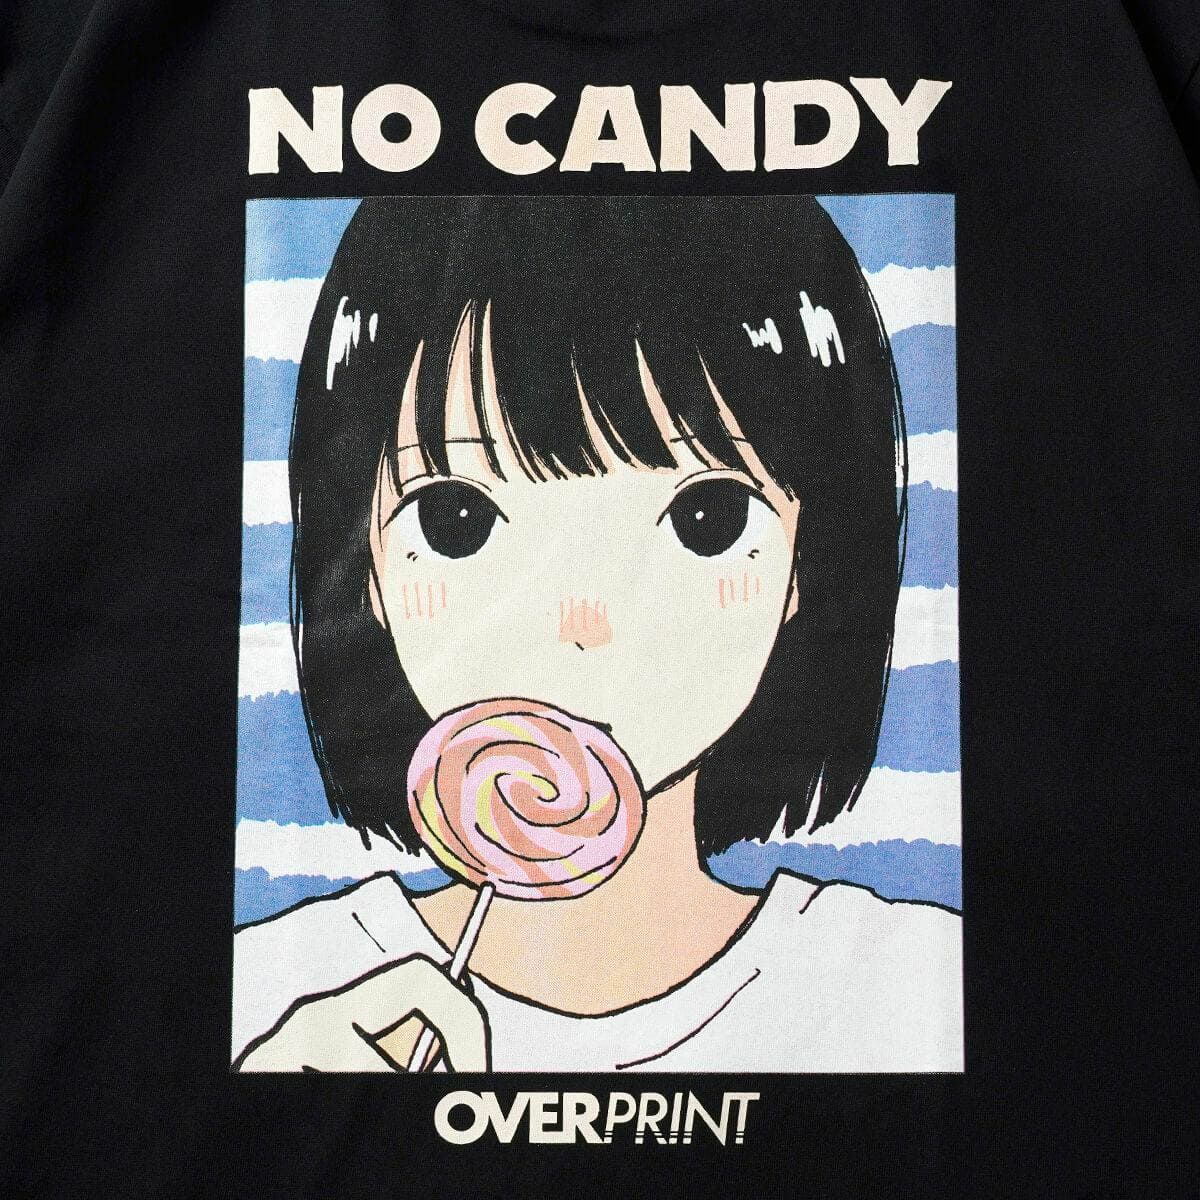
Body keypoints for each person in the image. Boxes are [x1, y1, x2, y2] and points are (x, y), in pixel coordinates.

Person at [231, 195, 961, 1072]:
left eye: (707, 518)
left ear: (809, 563)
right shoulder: (280, 999)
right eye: (459, 519)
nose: (583, 625)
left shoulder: (911, 983)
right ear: (364, 567)